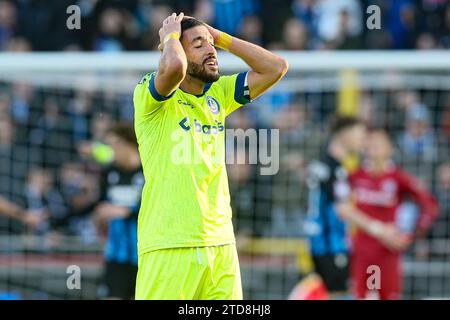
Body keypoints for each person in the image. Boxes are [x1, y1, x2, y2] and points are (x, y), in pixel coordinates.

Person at [133, 13, 288, 299]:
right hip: (169, 245)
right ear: (177, 48)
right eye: (199, 44)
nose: (211, 50)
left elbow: (275, 68)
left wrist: (221, 36)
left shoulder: (219, 94)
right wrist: (169, 35)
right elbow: (175, 68)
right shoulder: (150, 95)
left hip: (221, 246)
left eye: (211, 44)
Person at [305, 117, 411, 298]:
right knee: (338, 294)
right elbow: (342, 209)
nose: (364, 141)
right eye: (360, 134)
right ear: (345, 135)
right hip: (331, 246)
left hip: (320, 243)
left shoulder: (323, 164)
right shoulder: (335, 169)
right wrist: (379, 230)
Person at [349, 128, 438, 300]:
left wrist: (412, 233)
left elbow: (429, 204)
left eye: (379, 142)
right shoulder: (354, 176)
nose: (373, 146)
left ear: (390, 148)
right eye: (370, 142)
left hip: (388, 252)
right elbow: (342, 209)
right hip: (361, 252)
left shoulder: (398, 177)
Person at [82, 123, 144, 299]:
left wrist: (124, 212)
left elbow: (159, 210)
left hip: (144, 256)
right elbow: (100, 205)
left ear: (129, 143)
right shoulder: (110, 173)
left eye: (114, 144)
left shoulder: (149, 172)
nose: (110, 150)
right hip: (115, 255)